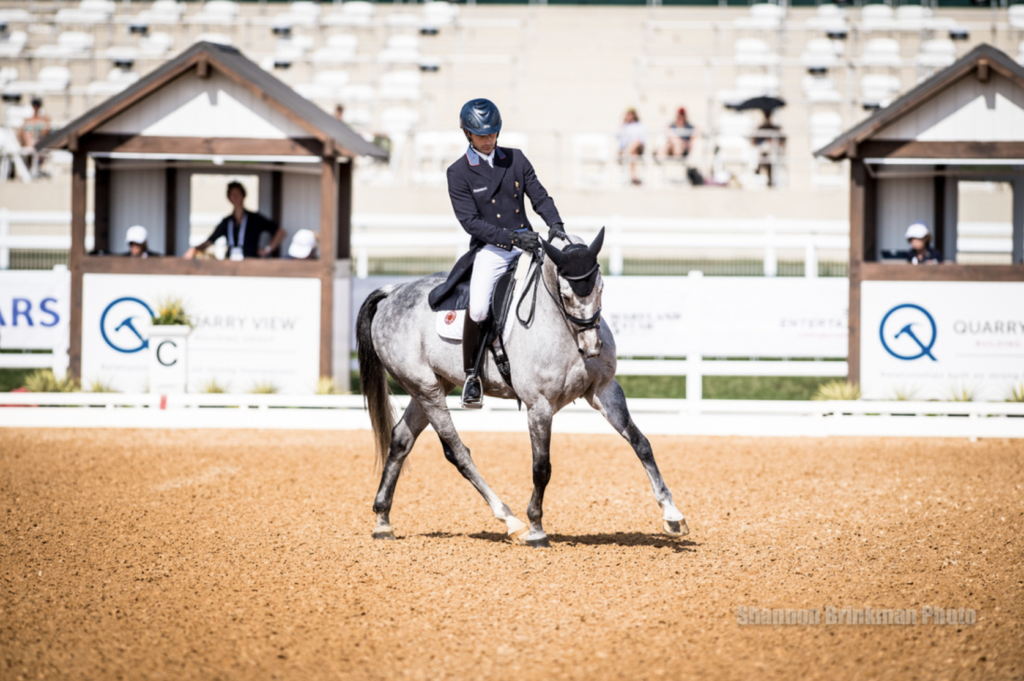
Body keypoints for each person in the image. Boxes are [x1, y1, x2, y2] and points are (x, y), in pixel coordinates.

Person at [429, 98, 565, 408]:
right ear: (467, 134)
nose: (488, 141)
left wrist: (555, 225)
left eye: (493, 134)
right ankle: (472, 376)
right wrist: (512, 239)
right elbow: (471, 223)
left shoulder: (515, 160)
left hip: (528, 244)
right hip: (493, 248)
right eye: (482, 136)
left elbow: (539, 197)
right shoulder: (458, 172)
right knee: (478, 310)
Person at [183, 181, 286, 260]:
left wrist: (267, 249)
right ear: (229, 198)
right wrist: (195, 248)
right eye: (232, 194)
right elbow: (211, 240)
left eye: (237, 193)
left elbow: (280, 232)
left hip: (251, 262)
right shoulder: (227, 221)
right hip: (230, 263)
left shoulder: (255, 218)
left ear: (243, 195)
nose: (235, 197)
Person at [19, 97, 51, 177]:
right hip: (30, 144)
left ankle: (31, 168)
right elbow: (20, 133)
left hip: (39, 144)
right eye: (34, 105)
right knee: (28, 134)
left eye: (37, 105)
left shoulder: (44, 119)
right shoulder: (27, 120)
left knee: (31, 136)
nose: (35, 107)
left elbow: (46, 132)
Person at [617, 108, 646, 185]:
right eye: (628, 114)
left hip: (638, 147)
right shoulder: (624, 126)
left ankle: (633, 176)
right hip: (629, 149)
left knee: (634, 145)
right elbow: (619, 138)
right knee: (632, 152)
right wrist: (622, 124)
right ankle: (634, 177)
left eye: (631, 114)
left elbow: (643, 139)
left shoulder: (639, 125)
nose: (629, 115)